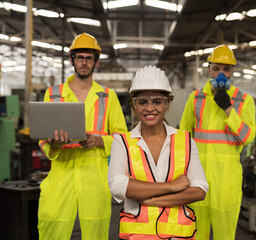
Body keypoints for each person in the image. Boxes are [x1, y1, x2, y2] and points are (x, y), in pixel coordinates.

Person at [37, 32, 127, 240]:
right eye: (80, 57)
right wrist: (55, 145)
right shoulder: (54, 93)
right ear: (72, 60)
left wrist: (99, 140)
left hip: (94, 174)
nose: (84, 62)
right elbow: (42, 137)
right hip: (61, 173)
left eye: (89, 58)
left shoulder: (107, 96)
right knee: (52, 227)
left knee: (96, 231)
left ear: (95, 62)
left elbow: (123, 138)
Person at [108, 65, 208, 240]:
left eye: (157, 101)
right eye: (142, 102)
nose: (149, 108)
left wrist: (148, 198)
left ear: (167, 103)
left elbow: (199, 190)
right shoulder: (122, 142)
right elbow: (117, 186)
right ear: (133, 104)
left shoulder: (185, 141)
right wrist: (171, 186)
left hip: (178, 236)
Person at [180, 45, 256, 240]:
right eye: (216, 68)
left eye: (226, 69)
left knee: (225, 235)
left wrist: (229, 109)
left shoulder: (243, 100)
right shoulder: (195, 98)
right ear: (209, 69)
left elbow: (247, 137)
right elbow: (183, 140)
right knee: (195, 234)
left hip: (226, 182)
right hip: (197, 179)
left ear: (233, 72)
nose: (221, 74)